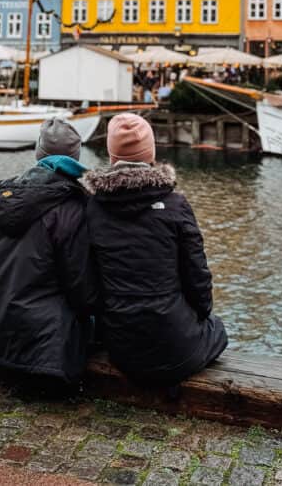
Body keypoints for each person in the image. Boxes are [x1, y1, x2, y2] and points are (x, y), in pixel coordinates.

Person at [85, 113, 228, 387]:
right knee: (217, 329)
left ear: (112, 155)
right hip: (175, 346)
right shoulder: (175, 205)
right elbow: (197, 275)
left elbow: (89, 278)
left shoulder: (93, 207)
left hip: (121, 346)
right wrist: (201, 314)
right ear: (150, 152)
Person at [0, 117, 97, 387]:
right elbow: (83, 292)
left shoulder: (3, 200)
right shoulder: (73, 208)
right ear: (75, 157)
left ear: (38, 153)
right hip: (45, 357)